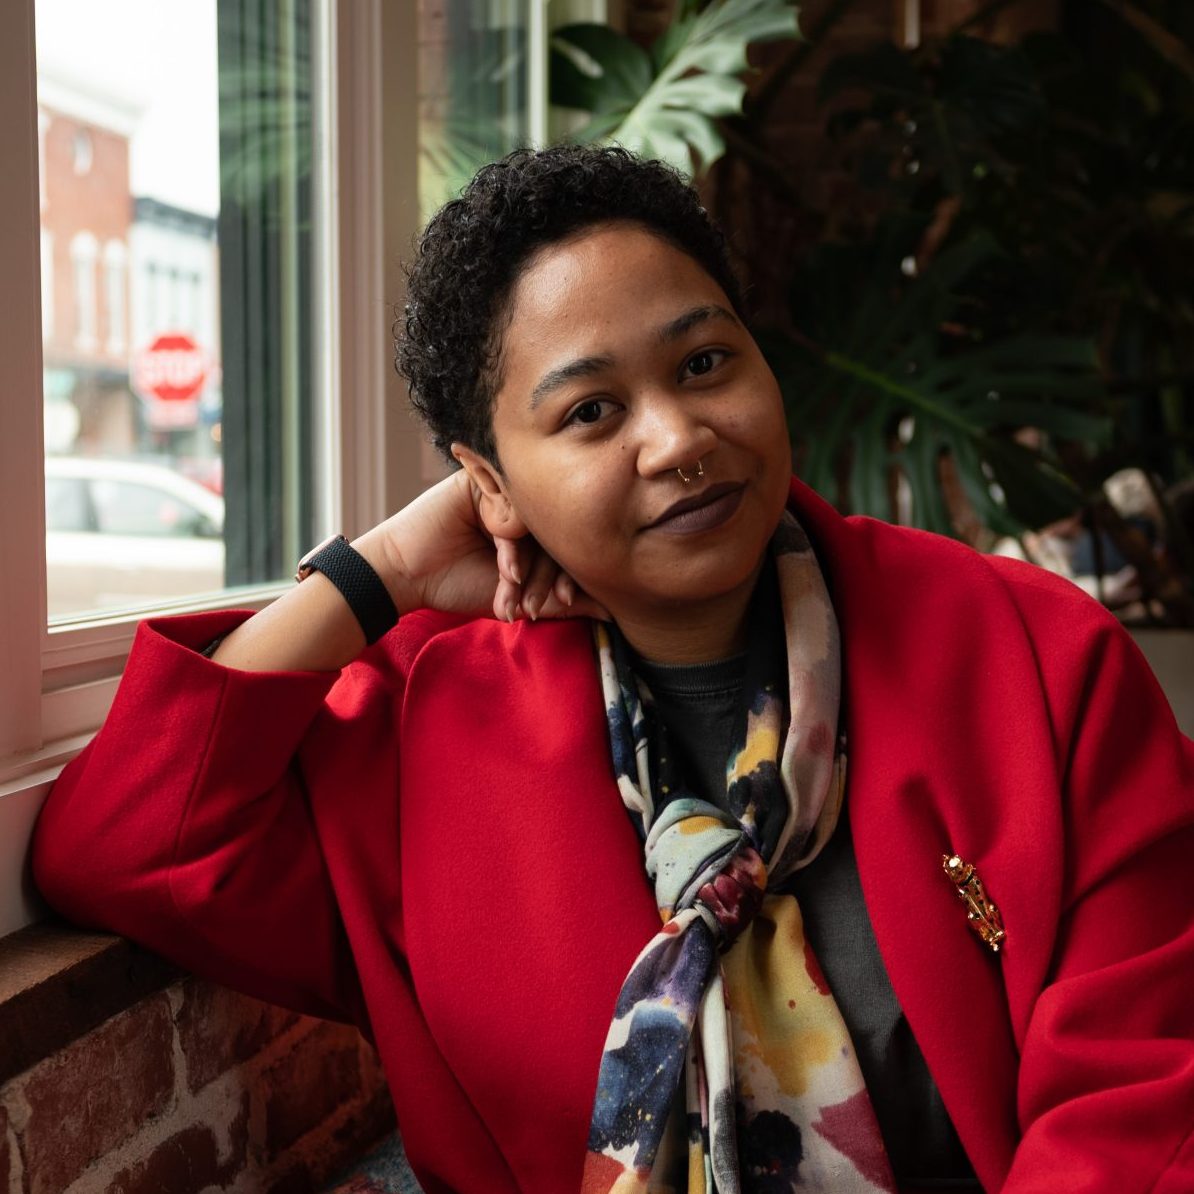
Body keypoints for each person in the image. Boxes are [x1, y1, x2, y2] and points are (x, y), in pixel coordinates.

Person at [31, 145, 1194, 1194]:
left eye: (705, 361)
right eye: (591, 411)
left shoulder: (1034, 659)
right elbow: (128, 844)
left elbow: (1141, 1098)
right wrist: (381, 571)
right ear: (491, 484)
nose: (679, 438)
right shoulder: (420, 735)